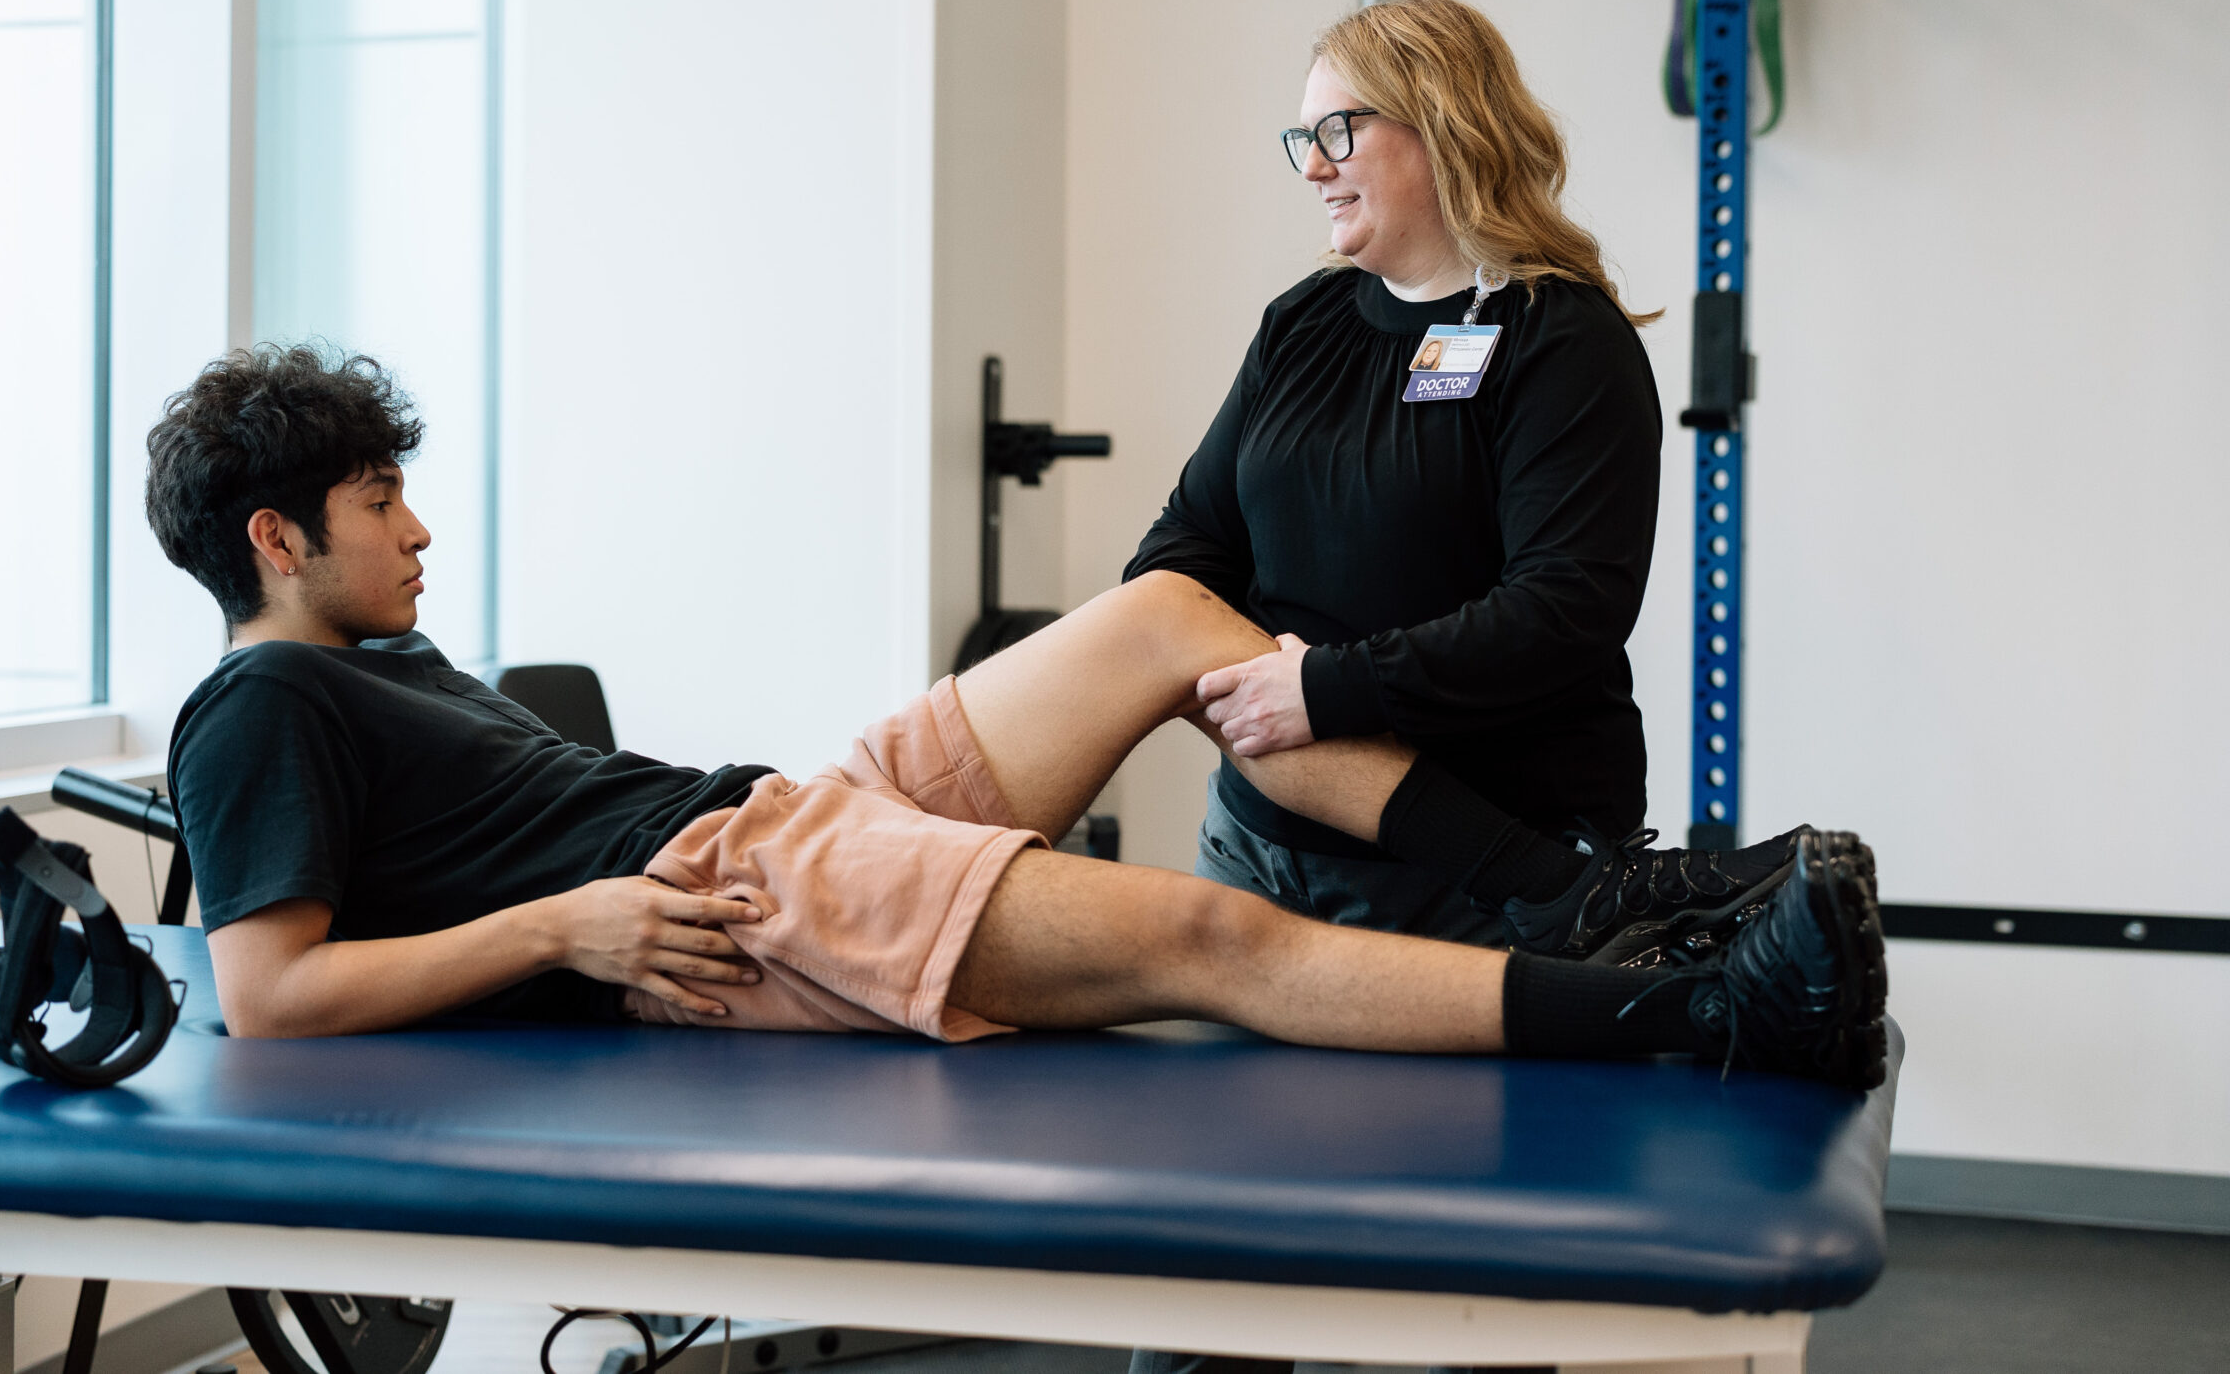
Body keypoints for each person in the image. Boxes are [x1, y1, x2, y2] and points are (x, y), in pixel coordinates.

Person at [146, 345, 1886, 1093]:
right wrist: (569, 925)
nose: (419, 528)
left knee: (1168, 617)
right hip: (734, 896)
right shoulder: (258, 700)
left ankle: (1582, 891)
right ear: (276, 540)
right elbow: (269, 992)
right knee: (1213, 933)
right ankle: (1701, 1013)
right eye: (379, 501)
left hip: (786, 813)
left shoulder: (374, 663)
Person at [1131, 0, 1796, 958]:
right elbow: (1181, 549)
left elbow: (1564, 610)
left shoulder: (1562, 339)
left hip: (1483, 880)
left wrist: (1325, 688)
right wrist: (1251, 678)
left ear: (1443, 124)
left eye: (1338, 131)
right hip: (1259, 854)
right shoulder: (1302, 323)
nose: (1313, 166)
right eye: (1304, 138)